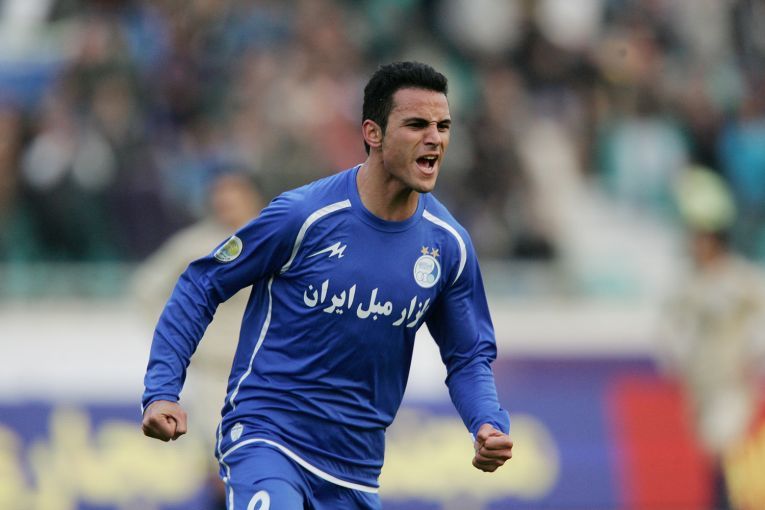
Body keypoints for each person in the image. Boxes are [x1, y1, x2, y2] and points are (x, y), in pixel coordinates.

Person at [141, 61, 513, 510]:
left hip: (356, 469)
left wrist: (486, 422)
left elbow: (468, 354)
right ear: (373, 133)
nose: (435, 138)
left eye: (443, 126)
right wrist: (162, 390)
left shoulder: (448, 245)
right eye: (417, 124)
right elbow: (201, 284)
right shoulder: (303, 216)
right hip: (267, 439)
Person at [132, 169, 264, 508]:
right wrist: (177, 337)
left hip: (268, 370)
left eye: (234, 194)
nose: (226, 203)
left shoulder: (272, 237)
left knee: (266, 462)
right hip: (214, 371)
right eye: (221, 195)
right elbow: (146, 288)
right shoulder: (196, 245)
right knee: (221, 462)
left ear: (252, 197)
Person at [658, 167, 765, 510]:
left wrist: (752, 356)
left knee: (726, 456)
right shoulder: (688, 285)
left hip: (733, 388)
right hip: (700, 390)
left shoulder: (740, 280)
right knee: (712, 460)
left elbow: (759, 324)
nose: (695, 246)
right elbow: (669, 331)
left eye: (701, 238)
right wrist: (680, 358)